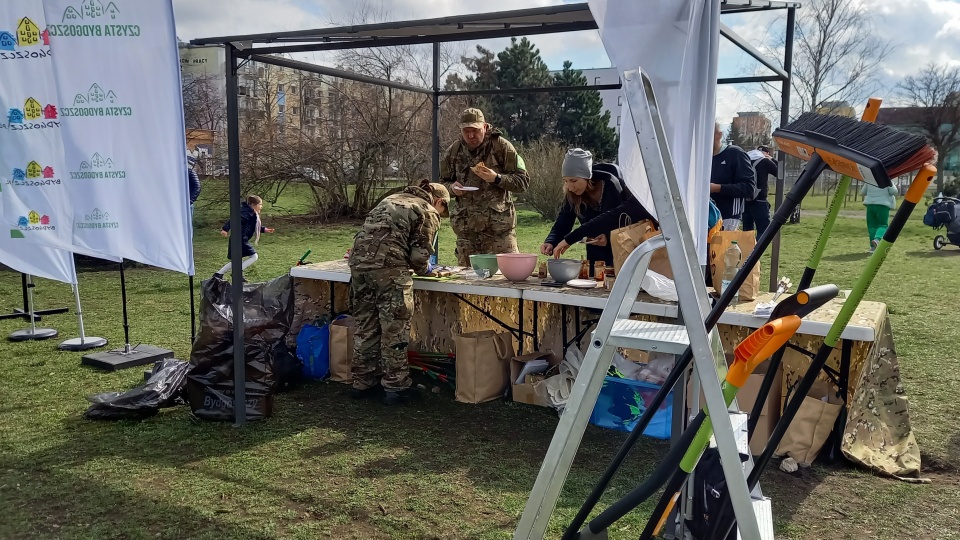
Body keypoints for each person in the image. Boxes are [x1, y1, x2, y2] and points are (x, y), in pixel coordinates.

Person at [348, 180, 449, 406]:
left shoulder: (390, 199)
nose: (442, 213)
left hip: (359, 268)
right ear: (439, 201)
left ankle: (362, 383)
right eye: (444, 210)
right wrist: (430, 270)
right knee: (394, 329)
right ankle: (396, 387)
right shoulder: (426, 209)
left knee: (366, 327)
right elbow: (419, 257)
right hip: (390, 271)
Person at [439, 107, 530, 266]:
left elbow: (523, 182)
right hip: (467, 236)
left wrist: (497, 178)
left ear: (485, 127)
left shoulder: (502, 147)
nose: (471, 135)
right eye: (466, 131)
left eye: (475, 130)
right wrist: (452, 189)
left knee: (507, 283)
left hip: (500, 235)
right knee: (467, 286)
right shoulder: (453, 151)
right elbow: (440, 186)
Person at [541, 149, 629, 268]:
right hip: (595, 256)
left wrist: (608, 237)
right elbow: (563, 222)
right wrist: (551, 241)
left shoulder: (612, 186)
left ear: (587, 176)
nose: (570, 187)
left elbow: (623, 221)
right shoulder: (571, 193)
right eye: (566, 181)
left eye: (574, 180)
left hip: (623, 253)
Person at [214, 195, 274, 281]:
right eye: (260, 204)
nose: (261, 206)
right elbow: (234, 220)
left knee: (236, 261)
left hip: (239, 239)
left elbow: (254, 226)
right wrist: (225, 229)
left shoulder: (251, 213)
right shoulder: (247, 213)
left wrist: (264, 229)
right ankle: (237, 273)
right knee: (254, 256)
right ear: (253, 205)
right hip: (240, 239)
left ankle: (218, 274)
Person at [709, 123, 756, 231]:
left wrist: (718, 188)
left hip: (728, 217)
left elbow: (748, 187)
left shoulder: (735, 154)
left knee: (723, 247)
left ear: (719, 135)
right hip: (705, 217)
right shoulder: (701, 157)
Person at [742, 146, 777, 238]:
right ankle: (757, 251)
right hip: (760, 200)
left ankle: (748, 251)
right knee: (763, 230)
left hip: (744, 200)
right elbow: (780, 172)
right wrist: (772, 159)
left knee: (747, 231)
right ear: (766, 153)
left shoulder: (745, 160)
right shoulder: (765, 161)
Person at [862, 182, 898, 252]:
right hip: (882, 205)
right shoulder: (886, 179)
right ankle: (877, 239)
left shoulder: (869, 180)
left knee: (872, 226)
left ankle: (872, 247)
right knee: (883, 225)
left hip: (870, 205)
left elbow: (863, 192)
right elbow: (894, 191)